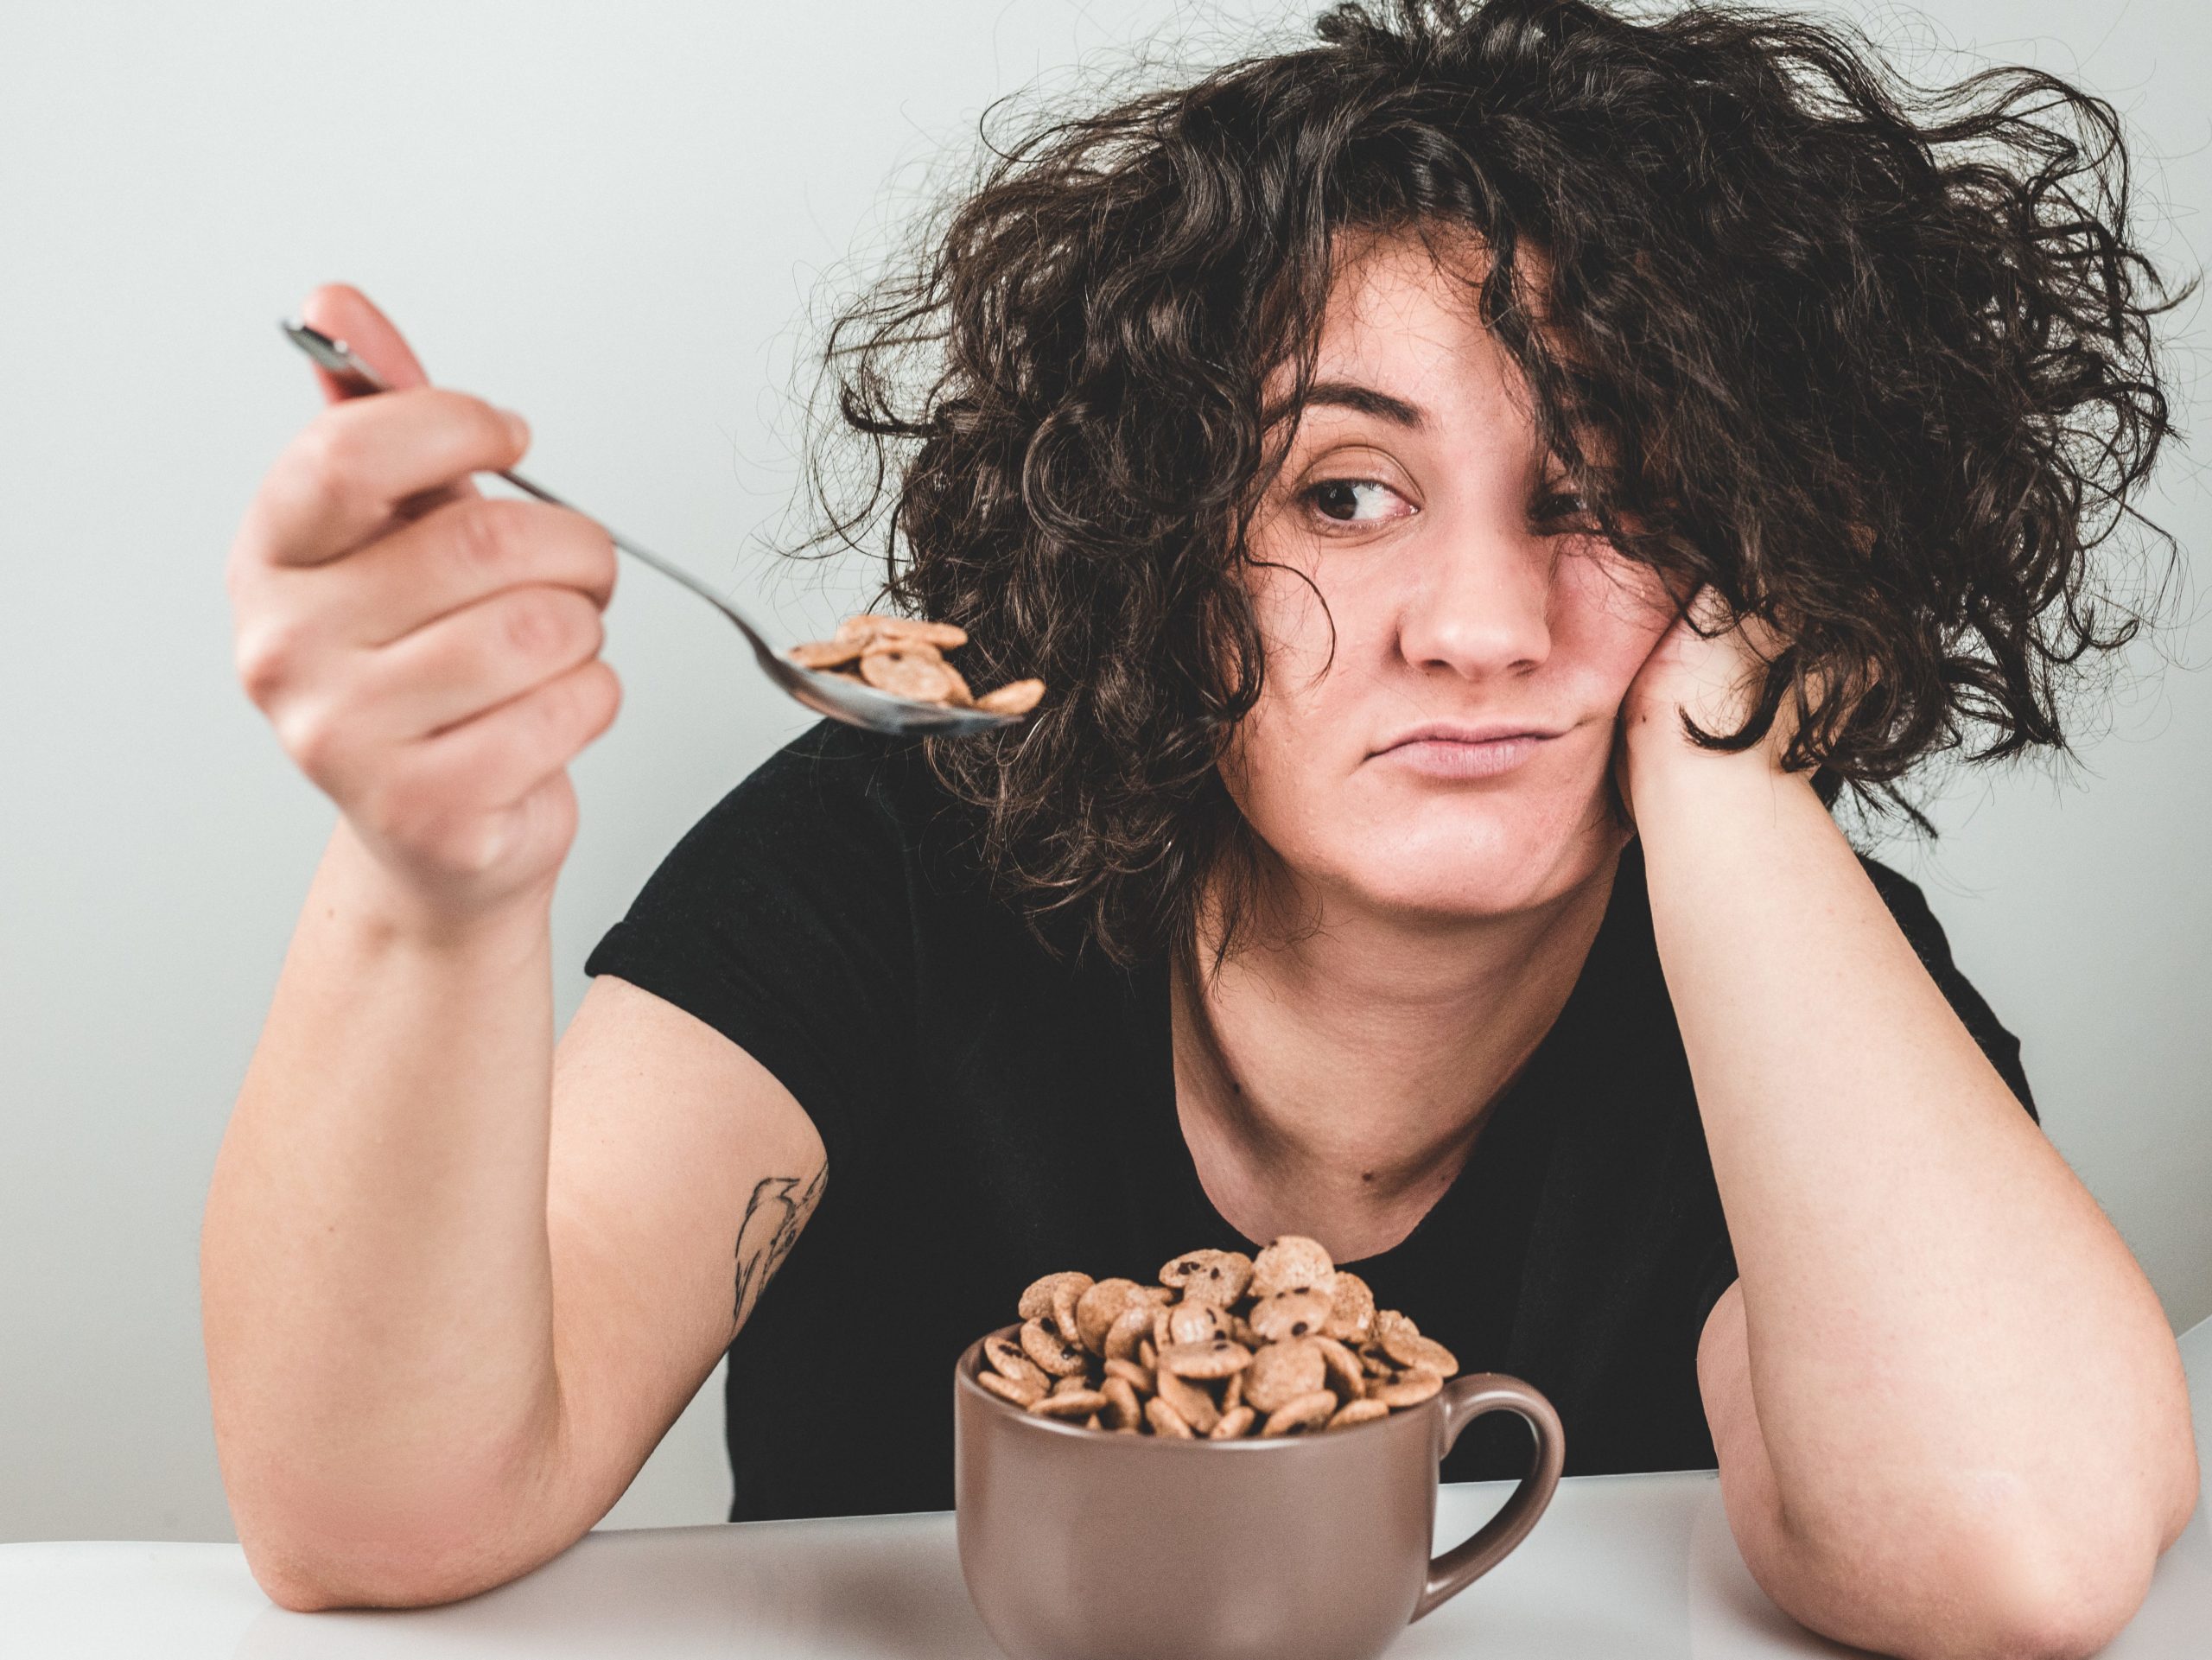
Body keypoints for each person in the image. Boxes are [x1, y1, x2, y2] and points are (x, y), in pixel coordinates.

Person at [204, 0, 2199, 1650]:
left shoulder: (1791, 977)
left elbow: (2004, 1552)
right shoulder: (884, 858)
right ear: (1163, 545)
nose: (1481, 629)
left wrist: (1732, 756)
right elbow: (378, 1517)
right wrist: (424, 882)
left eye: (1604, 493)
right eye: (1341, 492)